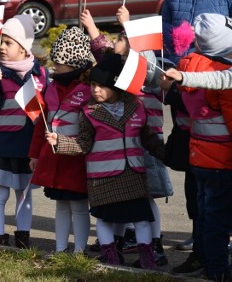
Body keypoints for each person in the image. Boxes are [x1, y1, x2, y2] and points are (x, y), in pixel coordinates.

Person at [47, 53, 165, 270]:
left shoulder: (136, 108)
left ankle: (147, 258)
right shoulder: (89, 113)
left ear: (116, 85)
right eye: (92, 84)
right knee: (104, 219)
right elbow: (83, 144)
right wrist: (60, 142)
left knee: (140, 218)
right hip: (102, 179)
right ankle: (110, 257)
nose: (95, 90)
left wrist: (170, 156)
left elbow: (149, 139)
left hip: (133, 175)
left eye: (101, 85)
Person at [171, 13, 232, 280]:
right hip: (224, 161)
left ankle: (208, 263)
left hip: (199, 157)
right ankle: (218, 272)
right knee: (219, 222)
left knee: (206, 217)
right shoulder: (222, 78)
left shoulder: (189, 68)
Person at [0, 15, 48, 248]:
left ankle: (23, 237)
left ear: (23, 48)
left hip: (27, 147)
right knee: (0, 194)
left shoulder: (40, 74)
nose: (2, 48)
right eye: (1, 43)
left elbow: (46, 109)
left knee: (24, 194)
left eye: (8, 43)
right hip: (2, 144)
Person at [29, 26, 93, 254]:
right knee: (61, 205)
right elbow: (41, 123)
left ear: (74, 64)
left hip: (76, 157)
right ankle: (60, 248)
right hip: (54, 158)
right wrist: (35, 154)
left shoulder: (88, 90)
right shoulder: (51, 87)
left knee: (78, 206)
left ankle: (80, 251)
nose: (54, 65)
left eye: (59, 61)